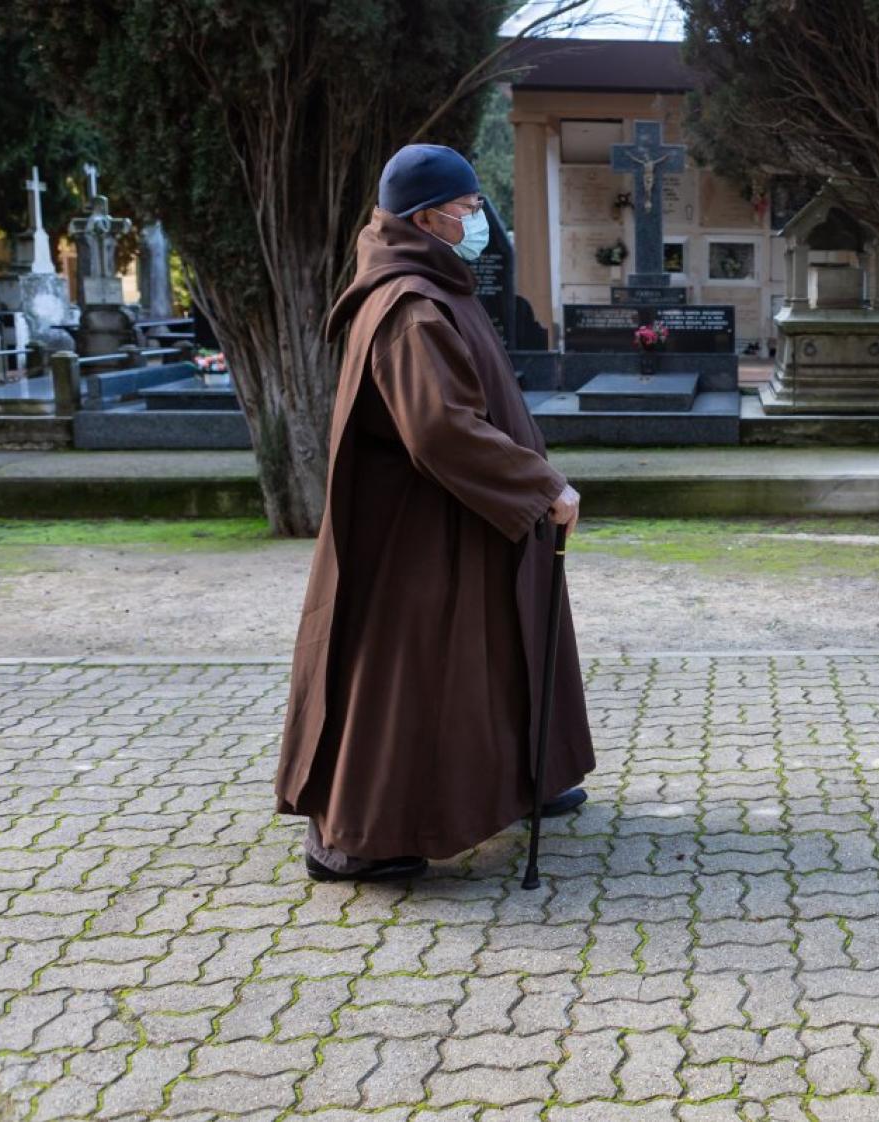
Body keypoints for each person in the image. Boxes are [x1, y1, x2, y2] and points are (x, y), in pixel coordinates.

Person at [275, 144, 594, 883]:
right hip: (421, 535)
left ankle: (528, 776)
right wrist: (540, 486)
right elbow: (439, 428)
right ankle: (362, 837)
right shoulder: (410, 308)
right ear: (428, 217)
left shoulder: (432, 285)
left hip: (461, 518)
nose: (479, 219)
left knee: (502, 648)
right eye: (470, 207)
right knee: (411, 677)